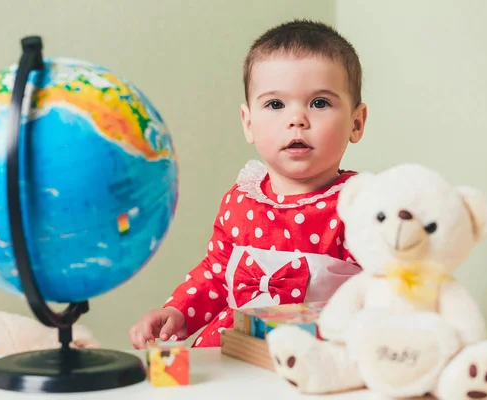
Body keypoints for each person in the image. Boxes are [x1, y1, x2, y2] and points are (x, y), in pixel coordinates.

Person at [129, 19, 368, 349]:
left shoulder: (362, 207)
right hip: (235, 346)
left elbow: (386, 289)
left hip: (320, 356)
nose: (296, 119)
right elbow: (215, 273)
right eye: (275, 104)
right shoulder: (241, 201)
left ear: (356, 123)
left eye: (319, 103)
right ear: (248, 123)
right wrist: (178, 311)